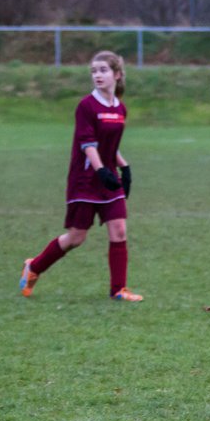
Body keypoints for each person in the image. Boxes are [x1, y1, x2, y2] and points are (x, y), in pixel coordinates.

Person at [20, 51, 142, 300]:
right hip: (86, 179)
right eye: (94, 71)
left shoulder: (120, 108)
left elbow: (110, 145)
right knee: (76, 237)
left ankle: (118, 289)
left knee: (119, 230)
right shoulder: (86, 106)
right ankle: (34, 267)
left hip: (108, 177)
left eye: (103, 70)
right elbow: (88, 145)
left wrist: (124, 167)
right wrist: (100, 170)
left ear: (117, 75)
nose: (97, 75)